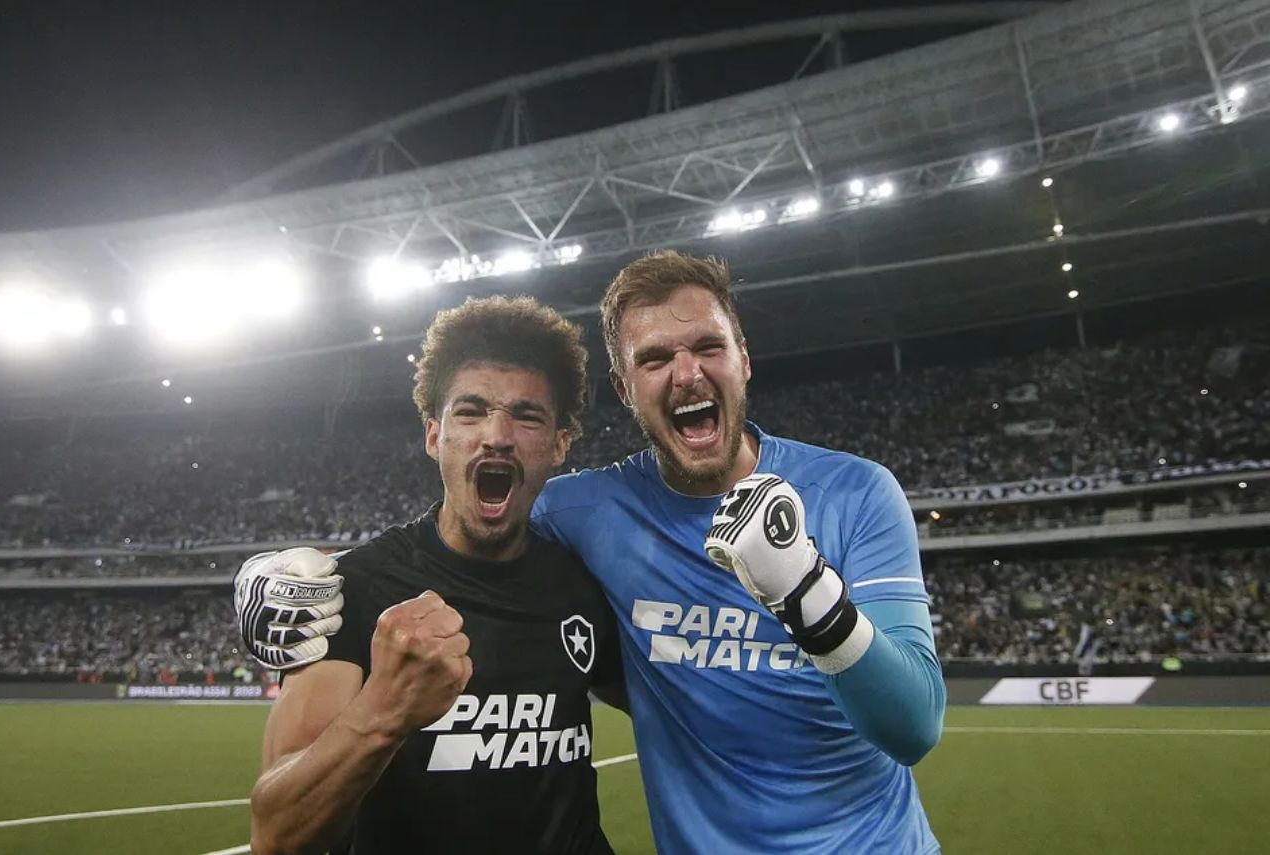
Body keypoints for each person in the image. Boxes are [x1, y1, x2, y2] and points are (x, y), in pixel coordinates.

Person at [238, 251, 946, 854]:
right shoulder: (565, 518)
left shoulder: (854, 492)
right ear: (626, 388)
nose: (688, 373)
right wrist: (315, 568)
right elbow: (278, 826)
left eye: (707, 346)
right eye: (656, 358)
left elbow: (913, 726)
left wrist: (806, 587)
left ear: (743, 359)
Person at [244, 296, 620, 855]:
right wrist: (386, 708)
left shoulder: (586, 583)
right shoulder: (357, 589)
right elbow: (277, 834)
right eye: (470, 412)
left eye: (527, 414)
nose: (497, 434)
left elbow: (689, 704)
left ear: (559, 444)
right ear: (434, 436)